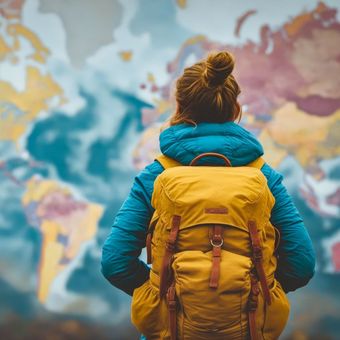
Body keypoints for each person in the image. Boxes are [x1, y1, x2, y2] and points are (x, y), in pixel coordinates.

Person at [101, 51, 315, 339]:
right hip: (249, 328)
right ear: (235, 108)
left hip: (171, 329)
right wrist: (254, 291)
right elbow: (302, 264)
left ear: (179, 106)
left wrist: (163, 292)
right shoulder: (265, 177)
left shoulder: (156, 176)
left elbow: (115, 262)